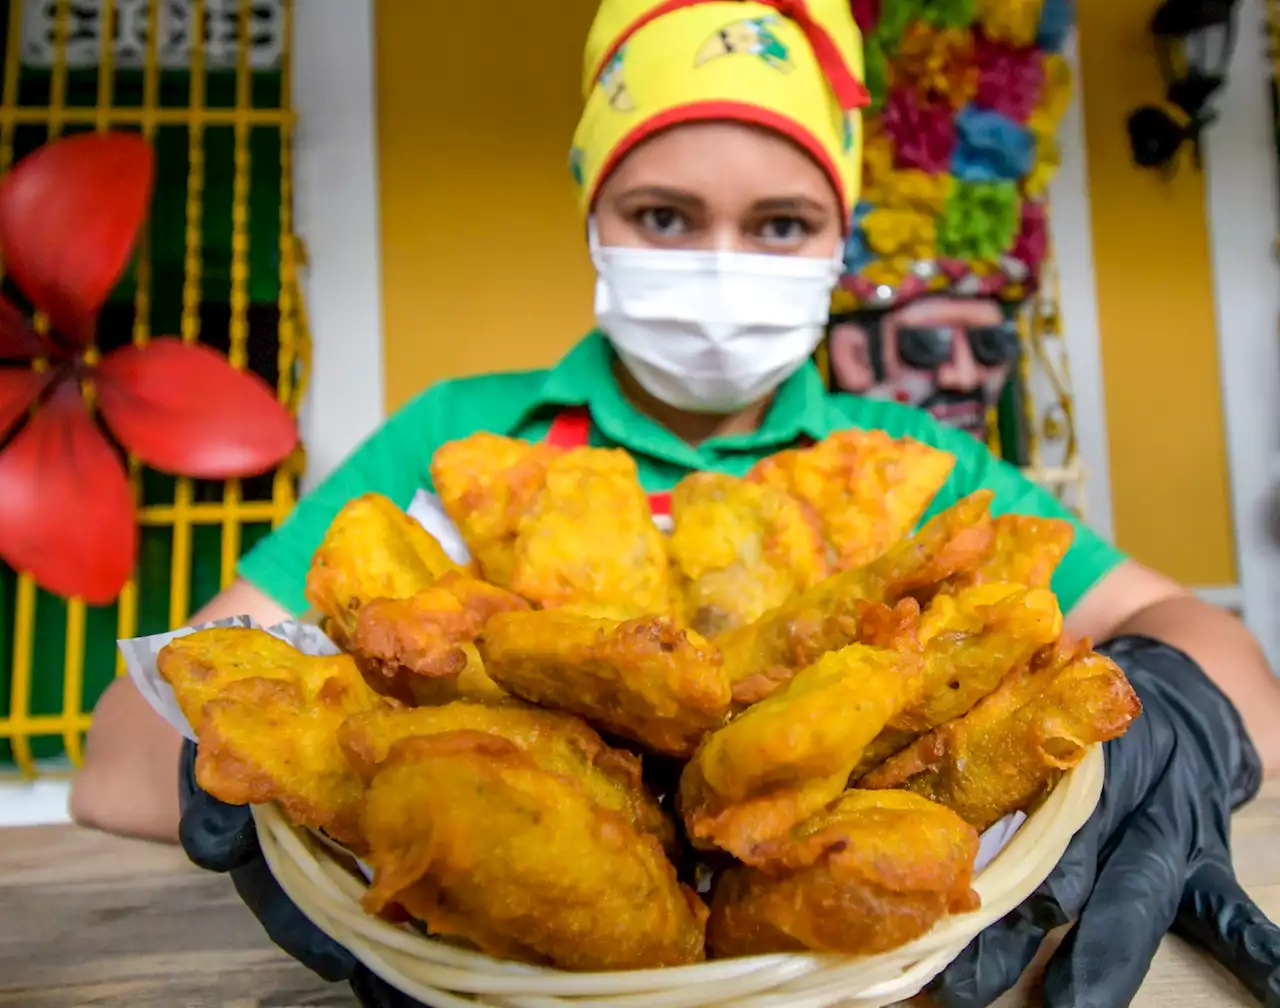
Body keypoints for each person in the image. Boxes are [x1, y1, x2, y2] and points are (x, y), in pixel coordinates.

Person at [72, 0, 1280, 1004]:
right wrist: (265, 772)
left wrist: (1178, 713)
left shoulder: (910, 465)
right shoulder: (460, 443)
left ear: (837, 242)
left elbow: (1229, 664)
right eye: (662, 216)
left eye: (780, 225)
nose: (719, 265)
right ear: (592, 214)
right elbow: (114, 765)